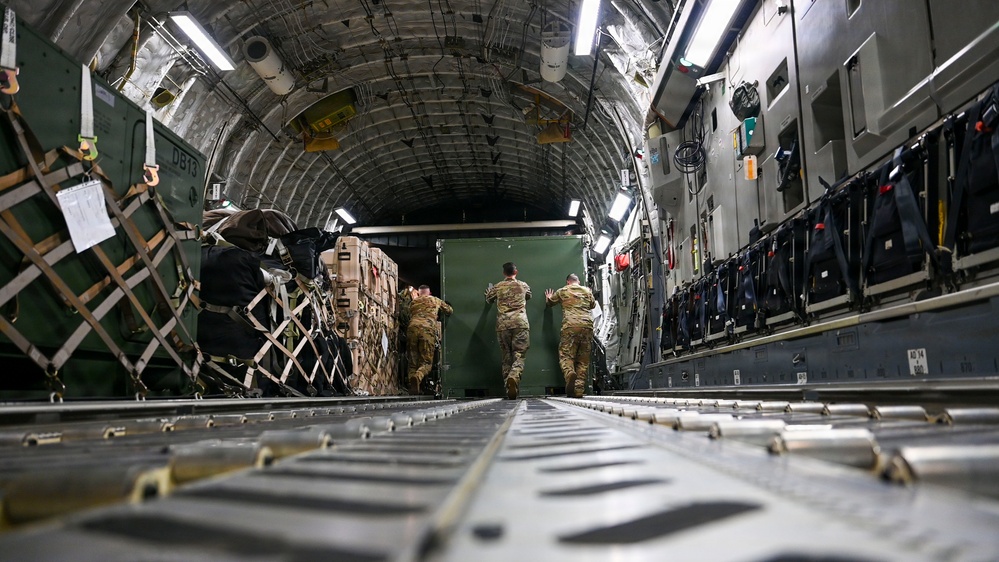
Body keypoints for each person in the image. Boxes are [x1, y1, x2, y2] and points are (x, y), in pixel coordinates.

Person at [485, 262, 531, 399]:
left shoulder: (498, 287)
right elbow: (529, 296)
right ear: (516, 272)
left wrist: (489, 293)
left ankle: (509, 388)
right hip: (520, 324)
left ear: (504, 273)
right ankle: (514, 376)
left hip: (503, 325)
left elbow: (488, 299)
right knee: (519, 355)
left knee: (506, 357)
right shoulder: (523, 285)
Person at [545, 273, 596, 398]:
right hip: (587, 326)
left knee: (566, 355)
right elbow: (592, 305)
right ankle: (578, 389)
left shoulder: (563, 291)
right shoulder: (586, 291)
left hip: (570, 326)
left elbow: (550, 303)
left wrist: (548, 297)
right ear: (578, 281)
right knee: (583, 359)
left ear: (568, 282)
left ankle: (569, 374)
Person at [406, 285, 452, 395]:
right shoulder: (435, 300)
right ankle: (418, 376)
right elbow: (449, 311)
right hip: (427, 330)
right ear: (429, 292)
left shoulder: (413, 302)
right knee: (426, 362)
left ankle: (413, 386)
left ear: (419, 293)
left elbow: (408, 314)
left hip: (412, 329)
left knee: (413, 361)